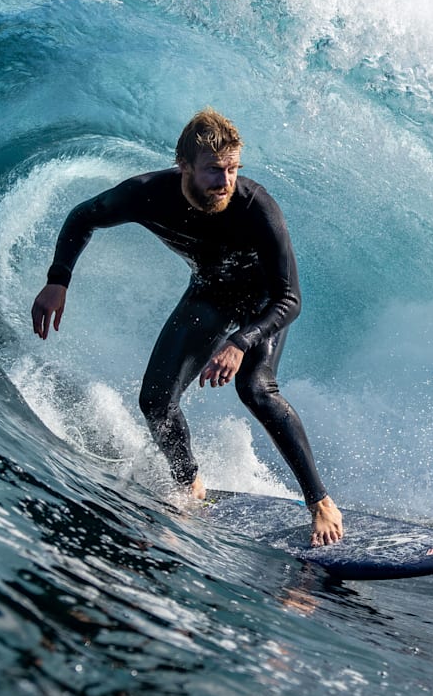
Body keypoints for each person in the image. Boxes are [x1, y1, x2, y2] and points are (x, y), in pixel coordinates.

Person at [30, 108, 344, 546]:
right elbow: (84, 216)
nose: (225, 181)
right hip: (211, 293)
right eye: (215, 170)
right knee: (156, 401)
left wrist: (241, 341)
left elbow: (289, 299)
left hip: (261, 306)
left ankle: (321, 502)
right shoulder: (147, 195)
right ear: (185, 166)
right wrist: (58, 280)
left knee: (255, 389)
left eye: (233, 169)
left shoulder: (257, 207)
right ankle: (189, 484)